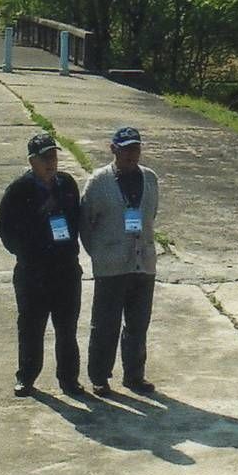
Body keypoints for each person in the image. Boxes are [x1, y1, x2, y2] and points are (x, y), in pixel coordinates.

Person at [0, 132, 83, 397]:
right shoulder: (19, 189)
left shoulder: (67, 184)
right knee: (31, 327)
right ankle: (26, 377)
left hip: (65, 270)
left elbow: (77, 219)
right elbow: (4, 228)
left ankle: (69, 380)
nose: (50, 162)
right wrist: (27, 253)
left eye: (53, 156)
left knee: (67, 329)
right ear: (32, 161)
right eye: (45, 158)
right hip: (33, 273)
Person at [80, 127, 159, 397]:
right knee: (105, 324)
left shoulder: (150, 179)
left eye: (135, 148)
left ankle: (134, 375)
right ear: (112, 149)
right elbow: (86, 224)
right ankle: (99, 376)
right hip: (111, 266)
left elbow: (152, 216)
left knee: (138, 324)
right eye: (125, 149)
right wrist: (101, 255)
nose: (130, 154)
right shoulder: (99, 182)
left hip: (143, 263)